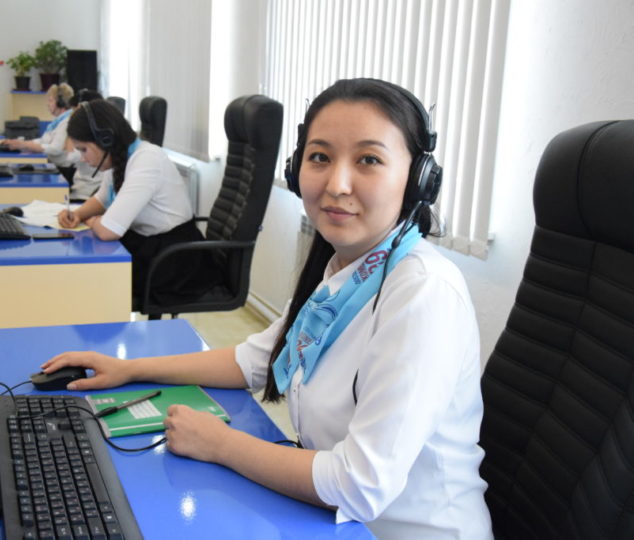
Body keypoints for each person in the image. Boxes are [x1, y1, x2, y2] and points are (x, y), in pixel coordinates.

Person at [42, 79, 492, 538]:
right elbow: (254, 360)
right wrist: (130, 369)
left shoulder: (423, 294)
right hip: (332, 521)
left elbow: (359, 485)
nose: (337, 184)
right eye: (320, 157)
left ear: (417, 179)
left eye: (369, 160)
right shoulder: (345, 270)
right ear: (297, 170)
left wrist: (220, 444)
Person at [57, 98, 218, 307]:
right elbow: (103, 198)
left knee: (93, 282)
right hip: (149, 244)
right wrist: (78, 214)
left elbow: (107, 231)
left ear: (105, 139)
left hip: (174, 258)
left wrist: (91, 221)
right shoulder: (120, 157)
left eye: (83, 149)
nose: (81, 158)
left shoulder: (147, 160)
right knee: (88, 275)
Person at [1, 83, 76, 169]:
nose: (48, 104)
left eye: (50, 100)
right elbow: (43, 141)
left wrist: (25, 145)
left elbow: (56, 149)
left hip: (64, 169)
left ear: (60, 102)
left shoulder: (67, 122)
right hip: (55, 166)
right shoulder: (57, 122)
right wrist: (20, 143)